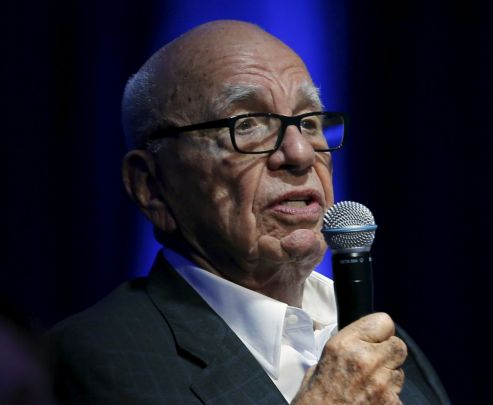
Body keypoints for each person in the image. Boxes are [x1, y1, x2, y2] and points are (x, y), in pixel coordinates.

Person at [46, 20, 450, 404]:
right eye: (249, 124)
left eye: (310, 122)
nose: (300, 153)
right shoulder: (97, 357)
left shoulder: (385, 342)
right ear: (151, 186)